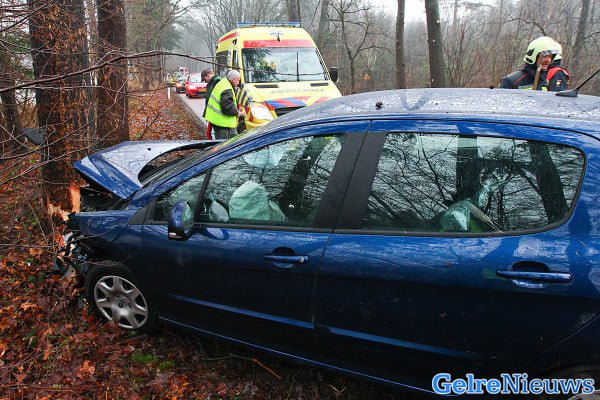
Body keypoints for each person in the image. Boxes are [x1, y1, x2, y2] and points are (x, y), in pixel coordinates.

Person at [204, 70, 245, 140]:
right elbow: (227, 107)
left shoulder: (224, 83)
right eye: (238, 80)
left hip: (222, 123)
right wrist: (238, 113)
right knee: (224, 144)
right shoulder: (227, 89)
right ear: (233, 80)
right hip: (222, 124)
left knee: (235, 140)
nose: (238, 83)